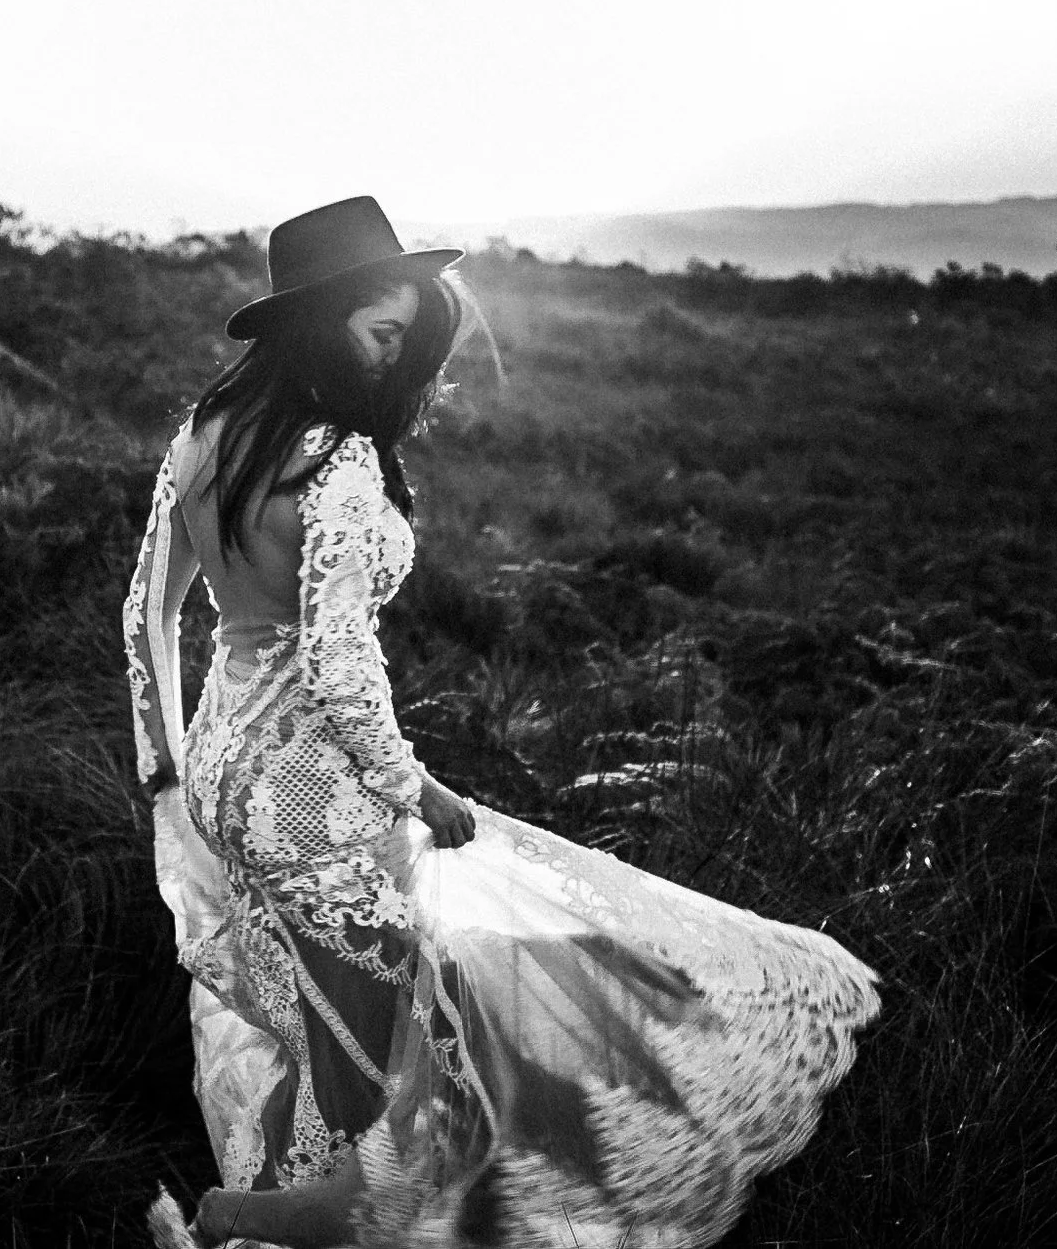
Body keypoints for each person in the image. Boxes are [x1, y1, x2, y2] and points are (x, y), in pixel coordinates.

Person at [127, 197, 878, 1249]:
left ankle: (289, 1208)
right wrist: (416, 788)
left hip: (227, 764)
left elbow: (146, 611)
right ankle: (236, 1221)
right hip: (317, 790)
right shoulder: (334, 458)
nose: (398, 366)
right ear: (319, 318)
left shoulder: (207, 434)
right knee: (392, 1078)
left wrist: (168, 765)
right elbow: (341, 666)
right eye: (384, 335)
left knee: (353, 1039)